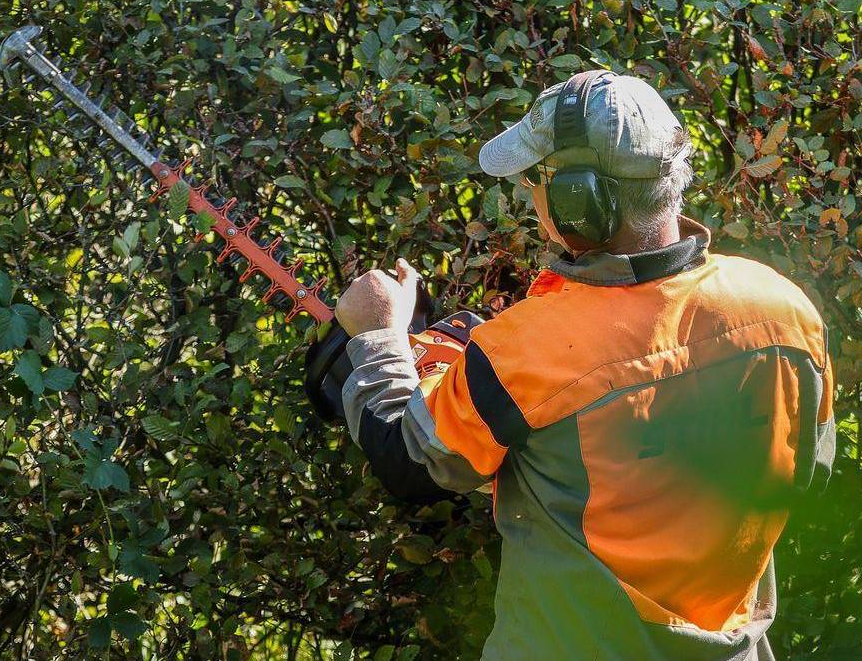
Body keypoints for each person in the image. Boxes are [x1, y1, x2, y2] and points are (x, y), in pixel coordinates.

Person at [318, 69, 835, 660]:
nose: (532, 195)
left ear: (578, 199)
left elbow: (408, 458)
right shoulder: (786, 310)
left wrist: (382, 336)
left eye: (540, 180)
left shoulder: (527, 351)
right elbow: (810, 470)